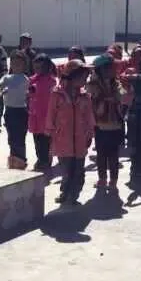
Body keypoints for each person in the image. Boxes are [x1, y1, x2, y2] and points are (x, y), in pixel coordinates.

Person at [46, 59, 94, 205]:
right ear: (72, 77)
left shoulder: (85, 96)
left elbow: (89, 116)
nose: (85, 80)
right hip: (63, 140)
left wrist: (90, 133)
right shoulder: (57, 94)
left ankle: (74, 194)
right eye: (83, 77)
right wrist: (50, 132)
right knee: (66, 170)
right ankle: (65, 192)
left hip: (80, 140)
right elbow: (51, 114)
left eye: (86, 77)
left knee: (79, 170)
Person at [87, 54, 128, 192]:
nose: (111, 70)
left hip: (115, 125)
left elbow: (123, 95)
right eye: (108, 68)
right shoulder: (93, 84)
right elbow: (90, 96)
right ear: (100, 70)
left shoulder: (116, 83)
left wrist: (117, 97)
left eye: (112, 68)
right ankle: (102, 179)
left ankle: (113, 181)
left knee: (114, 155)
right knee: (101, 155)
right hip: (100, 125)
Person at [0, 50, 30, 169]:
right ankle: (13, 160)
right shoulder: (6, 78)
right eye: (14, 63)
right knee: (11, 138)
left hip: (22, 112)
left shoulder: (26, 80)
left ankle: (21, 162)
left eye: (19, 63)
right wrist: (0, 90)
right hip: (9, 111)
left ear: (24, 65)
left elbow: (30, 95)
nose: (16, 65)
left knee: (20, 138)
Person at [28, 54, 57, 171]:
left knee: (46, 141)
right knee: (37, 140)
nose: (37, 70)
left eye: (40, 67)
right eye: (35, 67)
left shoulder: (52, 81)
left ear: (48, 67)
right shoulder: (32, 80)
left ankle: (45, 160)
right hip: (35, 117)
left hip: (47, 117)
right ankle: (41, 159)